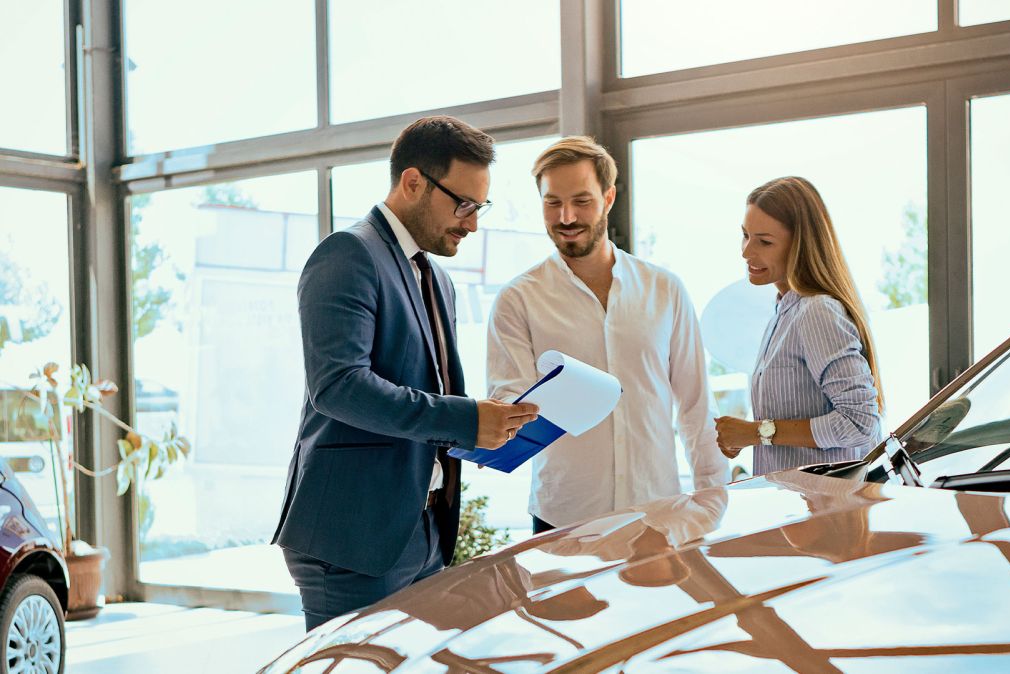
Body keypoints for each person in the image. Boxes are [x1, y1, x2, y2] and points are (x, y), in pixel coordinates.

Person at [272, 116, 539, 630]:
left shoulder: (436, 277)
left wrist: (486, 432)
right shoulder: (348, 254)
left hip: (424, 528)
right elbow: (339, 386)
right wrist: (465, 420)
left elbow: (425, 394)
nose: (472, 224)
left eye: (479, 208)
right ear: (413, 182)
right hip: (354, 536)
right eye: (463, 205)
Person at [486, 136, 728, 534]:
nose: (566, 217)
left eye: (581, 201)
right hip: (563, 518)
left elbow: (696, 407)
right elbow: (508, 402)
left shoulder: (664, 290)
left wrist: (711, 503)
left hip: (658, 513)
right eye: (552, 202)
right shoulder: (517, 299)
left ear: (609, 197)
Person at [715, 176, 884, 474]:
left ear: (800, 246)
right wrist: (749, 435)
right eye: (745, 235)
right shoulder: (783, 313)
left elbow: (860, 422)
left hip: (824, 501)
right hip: (795, 498)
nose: (746, 252)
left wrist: (757, 433)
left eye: (764, 242)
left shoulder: (817, 312)